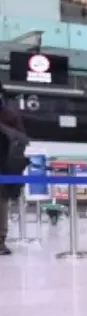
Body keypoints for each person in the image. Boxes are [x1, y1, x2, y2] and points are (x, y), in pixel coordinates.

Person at [0, 91, 28, 257]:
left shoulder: (9, 115)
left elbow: (22, 139)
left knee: (1, 202)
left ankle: (0, 240)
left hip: (3, 166)